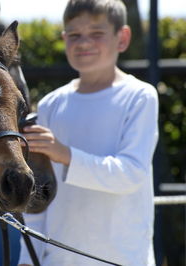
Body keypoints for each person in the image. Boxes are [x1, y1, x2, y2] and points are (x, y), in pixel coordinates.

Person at [18, 0, 159, 265]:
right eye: (74, 35)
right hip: (56, 260)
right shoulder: (51, 104)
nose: (84, 43)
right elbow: (39, 196)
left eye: (97, 34)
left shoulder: (140, 97)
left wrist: (66, 155)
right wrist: (28, 257)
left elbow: (130, 174)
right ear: (64, 39)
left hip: (124, 258)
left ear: (123, 37)